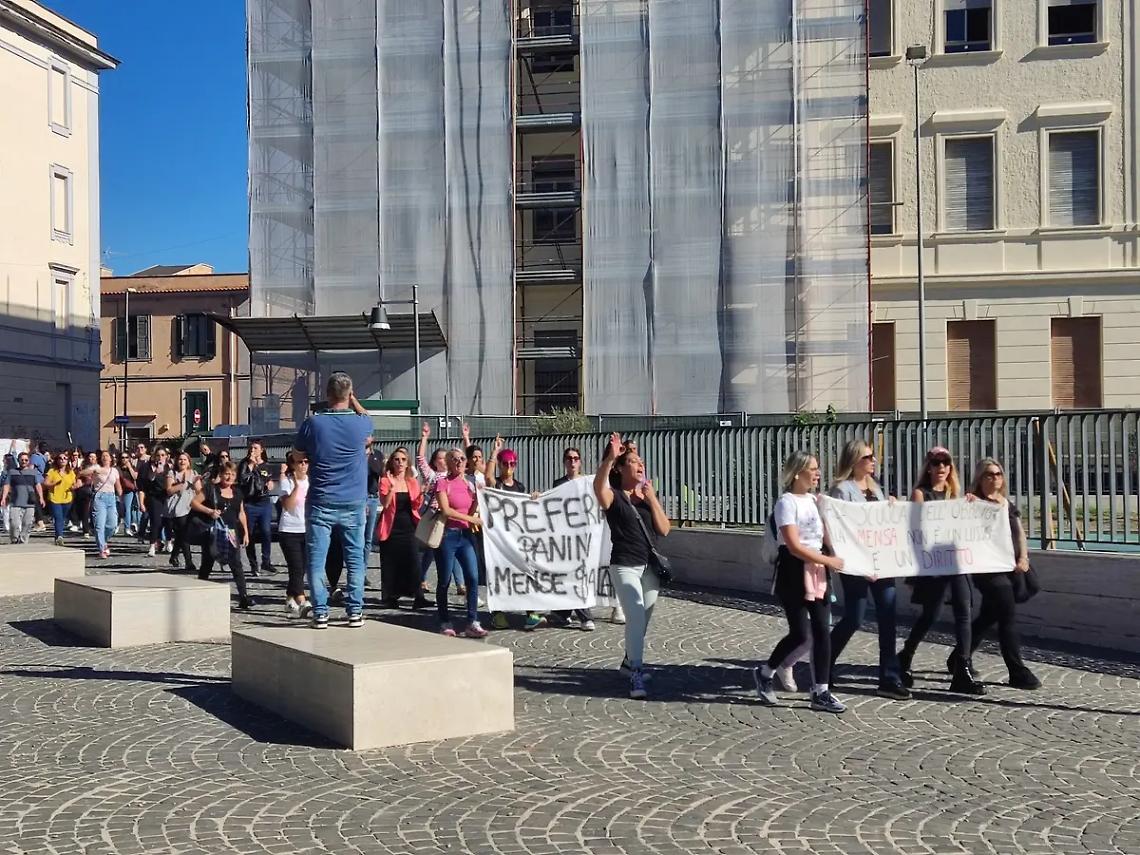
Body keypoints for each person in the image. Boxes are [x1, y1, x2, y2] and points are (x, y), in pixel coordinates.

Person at [752, 451, 847, 714]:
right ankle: (765, 672)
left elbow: (825, 535)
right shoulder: (786, 503)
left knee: (822, 630)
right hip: (793, 571)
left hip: (817, 571)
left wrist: (836, 553)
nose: (818, 473)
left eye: (818, 469)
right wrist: (827, 560)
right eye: (813, 469)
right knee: (800, 634)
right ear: (797, 473)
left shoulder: (815, 501)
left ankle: (821, 690)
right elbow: (793, 546)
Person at [897, 447, 985, 695]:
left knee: (964, 610)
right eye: (936, 463)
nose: (941, 468)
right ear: (928, 467)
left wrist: (971, 506)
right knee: (931, 614)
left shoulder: (955, 494)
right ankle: (906, 654)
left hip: (955, 560)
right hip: (932, 562)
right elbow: (914, 530)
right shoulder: (920, 494)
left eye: (946, 463)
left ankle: (962, 668)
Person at [827, 439, 909, 700]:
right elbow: (838, 528)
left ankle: (889, 677)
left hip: (880, 562)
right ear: (854, 460)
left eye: (873, 456)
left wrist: (891, 508)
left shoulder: (876, 488)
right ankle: (824, 661)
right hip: (856, 564)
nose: (873, 460)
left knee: (888, 617)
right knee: (854, 617)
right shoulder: (842, 490)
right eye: (867, 457)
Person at [293, 372, 374, 629]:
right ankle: (355, 612)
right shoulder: (362, 423)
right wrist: (354, 400)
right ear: (349, 394)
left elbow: (298, 453)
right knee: (355, 560)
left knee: (316, 560)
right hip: (354, 501)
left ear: (327, 394)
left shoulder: (313, 423)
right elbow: (366, 416)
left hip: (321, 499)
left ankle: (320, 613)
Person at [594, 432, 670, 700]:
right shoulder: (614, 496)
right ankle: (636, 670)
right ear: (620, 469)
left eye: (641, 462)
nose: (640, 465)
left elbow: (664, 529)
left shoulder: (646, 496)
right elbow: (598, 488)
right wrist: (609, 458)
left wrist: (652, 499)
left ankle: (628, 663)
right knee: (635, 616)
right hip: (625, 565)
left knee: (642, 621)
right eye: (634, 461)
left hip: (650, 569)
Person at [962, 458, 1041, 690]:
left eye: (998, 474)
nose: (995, 478)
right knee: (1007, 615)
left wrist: (1023, 557)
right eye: (989, 474)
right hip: (987, 570)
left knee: (988, 616)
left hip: (1009, 566)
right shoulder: (972, 503)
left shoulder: (1006, 503)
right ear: (979, 478)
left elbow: (1019, 533)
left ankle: (959, 657)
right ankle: (1017, 671)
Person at [486, 439, 546, 631]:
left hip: (516, 537)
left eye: (512, 463)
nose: (509, 467)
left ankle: (531, 613)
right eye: (505, 463)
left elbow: (524, 507)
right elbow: (488, 476)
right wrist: (495, 451)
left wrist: (534, 498)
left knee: (525, 573)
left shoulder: (519, 487)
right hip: (499, 539)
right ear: (500, 464)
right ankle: (498, 614)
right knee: (501, 576)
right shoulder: (497, 484)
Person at [433, 448, 487, 638]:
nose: (459, 462)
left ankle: (472, 620)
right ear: (448, 462)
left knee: (472, 577)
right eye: (455, 459)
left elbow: (470, 509)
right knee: (444, 580)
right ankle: (444, 620)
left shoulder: (469, 483)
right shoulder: (442, 483)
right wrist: (471, 519)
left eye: (462, 459)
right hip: (448, 535)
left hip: (465, 535)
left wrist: (478, 499)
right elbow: (446, 510)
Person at [191, 462, 252, 610]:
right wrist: (209, 511)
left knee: (236, 564)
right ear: (221, 474)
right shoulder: (211, 489)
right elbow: (194, 503)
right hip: (213, 531)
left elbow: (241, 513)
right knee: (207, 563)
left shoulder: (237, 492)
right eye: (227, 474)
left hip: (231, 532)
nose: (229, 477)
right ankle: (198, 594)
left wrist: (245, 531)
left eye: (232, 474)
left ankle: (243, 597)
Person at [548, 446, 596, 632]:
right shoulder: (559, 483)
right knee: (570, 576)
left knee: (578, 576)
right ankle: (570, 614)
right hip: (565, 537)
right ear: (564, 462)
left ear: (580, 462)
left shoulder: (587, 483)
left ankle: (569, 613)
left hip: (583, 536)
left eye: (576, 458)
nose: (572, 461)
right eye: (569, 458)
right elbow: (552, 504)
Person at [377, 446, 426, 609]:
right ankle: (390, 596)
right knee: (390, 563)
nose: (400, 462)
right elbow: (385, 504)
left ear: (407, 463)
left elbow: (416, 505)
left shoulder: (412, 482)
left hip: (409, 526)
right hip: (391, 527)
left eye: (403, 460)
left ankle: (418, 596)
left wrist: (421, 493)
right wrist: (392, 488)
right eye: (397, 459)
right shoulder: (385, 480)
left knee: (414, 561)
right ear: (392, 462)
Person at [416, 421, 452, 596]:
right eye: (441, 458)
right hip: (434, 516)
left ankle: (460, 584)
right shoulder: (432, 475)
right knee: (430, 550)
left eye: (447, 458)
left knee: (450, 551)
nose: (444, 461)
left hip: (450, 517)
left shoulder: (454, 476)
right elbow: (420, 459)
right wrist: (425, 437)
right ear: (436, 461)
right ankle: (421, 578)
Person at [277, 451, 311, 617]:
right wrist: (297, 487)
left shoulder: (312, 481)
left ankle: (290, 599)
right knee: (296, 567)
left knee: (301, 568)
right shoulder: (286, 482)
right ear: (292, 464)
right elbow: (288, 505)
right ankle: (302, 601)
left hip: (307, 529)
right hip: (289, 530)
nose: (303, 465)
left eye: (306, 462)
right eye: (300, 462)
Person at [238, 440, 276, 576]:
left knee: (266, 531)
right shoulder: (244, 464)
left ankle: (266, 561)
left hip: (264, 502)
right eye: (251, 448)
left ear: (261, 450)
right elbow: (242, 480)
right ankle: (253, 564)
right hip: (250, 503)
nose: (252, 450)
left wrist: (271, 484)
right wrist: (250, 465)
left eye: (255, 448)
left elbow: (269, 479)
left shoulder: (266, 465)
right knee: (250, 534)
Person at [78, 450, 122, 559]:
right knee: (99, 525)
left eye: (107, 456)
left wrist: (120, 496)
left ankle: (103, 539)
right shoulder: (97, 468)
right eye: (103, 456)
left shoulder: (114, 471)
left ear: (111, 459)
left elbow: (118, 486)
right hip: (99, 497)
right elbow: (82, 473)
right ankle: (102, 548)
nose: (105, 458)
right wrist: (93, 471)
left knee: (112, 525)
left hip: (111, 497)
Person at [165, 452, 201, 572]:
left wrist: (195, 483)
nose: (182, 462)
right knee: (184, 535)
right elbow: (169, 490)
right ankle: (189, 562)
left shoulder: (194, 473)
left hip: (190, 507)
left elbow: (199, 491)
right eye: (180, 459)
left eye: (185, 459)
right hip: (178, 508)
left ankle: (174, 556)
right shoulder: (172, 473)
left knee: (182, 535)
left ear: (189, 462)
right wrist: (184, 484)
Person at [1, 451, 45, 543]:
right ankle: (14, 539)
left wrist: (41, 497)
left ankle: (23, 541)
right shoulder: (12, 472)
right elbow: (7, 485)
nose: (24, 462)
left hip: (29, 503)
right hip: (15, 502)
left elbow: (38, 485)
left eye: (26, 460)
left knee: (27, 524)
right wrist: (3, 498)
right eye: (22, 460)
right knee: (14, 523)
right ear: (18, 460)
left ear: (29, 461)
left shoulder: (33, 472)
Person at [139, 446, 173, 556]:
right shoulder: (149, 467)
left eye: (163, 455)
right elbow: (148, 481)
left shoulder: (170, 468)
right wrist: (156, 471)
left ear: (167, 457)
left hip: (167, 497)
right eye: (158, 455)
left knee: (168, 521)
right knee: (156, 521)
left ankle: (168, 541)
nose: (160, 457)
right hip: (154, 497)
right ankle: (152, 546)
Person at [43, 452, 76, 546]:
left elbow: (73, 483)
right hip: (55, 498)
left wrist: (74, 487)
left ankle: (58, 535)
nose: (62, 460)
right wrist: (54, 484)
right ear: (57, 460)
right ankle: (59, 536)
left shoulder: (70, 472)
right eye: (60, 458)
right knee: (58, 517)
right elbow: (45, 483)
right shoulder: (52, 471)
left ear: (68, 461)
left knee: (62, 518)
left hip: (67, 498)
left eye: (65, 458)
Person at [363, 439, 385, 565]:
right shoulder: (354, 454)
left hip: (372, 497)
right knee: (356, 535)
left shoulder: (377, 455)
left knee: (368, 537)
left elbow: (381, 473)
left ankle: (363, 568)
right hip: (358, 498)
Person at [117, 452, 140, 536]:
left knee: (129, 508)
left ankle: (128, 527)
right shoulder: (117, 468)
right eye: (122, 457)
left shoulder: (132, 467)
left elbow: (135, 477)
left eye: (126, 457)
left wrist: (130, 467)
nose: (124, 459)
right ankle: (118, 525)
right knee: (120, 509)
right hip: (119, 490)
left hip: (129, 490)